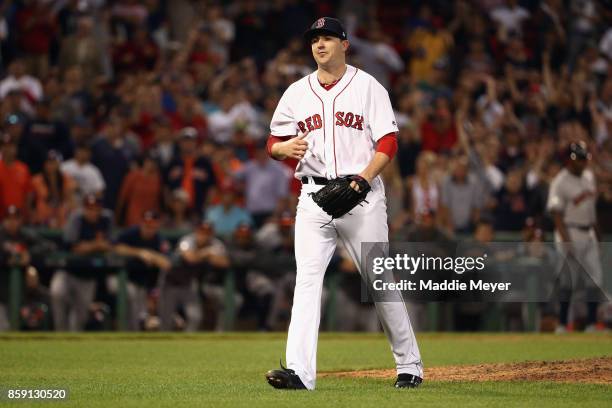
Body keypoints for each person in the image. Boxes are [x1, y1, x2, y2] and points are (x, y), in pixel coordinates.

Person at [264, 17, 423, 390]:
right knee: (307, 282)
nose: (320, 45)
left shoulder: (368, 87)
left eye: (328, 38)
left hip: (362, 196)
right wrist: (283, 149)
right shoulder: (296, 92)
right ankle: (300, 373)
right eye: (315, 39)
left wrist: (363, 179)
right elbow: (273, 142)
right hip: (313, 198)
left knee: (379, 280)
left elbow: (388, 143)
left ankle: (410, 364)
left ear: (345, 44)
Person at [546, 141, 604, 333]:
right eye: (579, 158)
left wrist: (597, 233)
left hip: (588, 233)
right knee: (567, 280)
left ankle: (591, 324)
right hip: (570, 232)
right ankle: (562, 324)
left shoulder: (588, 176)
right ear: (571, 160)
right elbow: (556, 214)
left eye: (584, 158)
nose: (583, 162)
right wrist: (566, 240)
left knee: (595, 279)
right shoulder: (560, 182)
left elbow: (591, 209)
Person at [112, 210, 171, 330]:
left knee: (145, 305)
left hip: (144, 283)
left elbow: (166, 263)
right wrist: (139, 252)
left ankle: (137, 331)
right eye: (146, 224)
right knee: (132, 297)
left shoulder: (159, 239)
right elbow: (115, 247)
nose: (149, 227)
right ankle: (129, 331)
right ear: (142, 223)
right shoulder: (132, 233)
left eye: (152, 224)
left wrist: (151, 255)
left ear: (157, 225)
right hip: (121, 278)